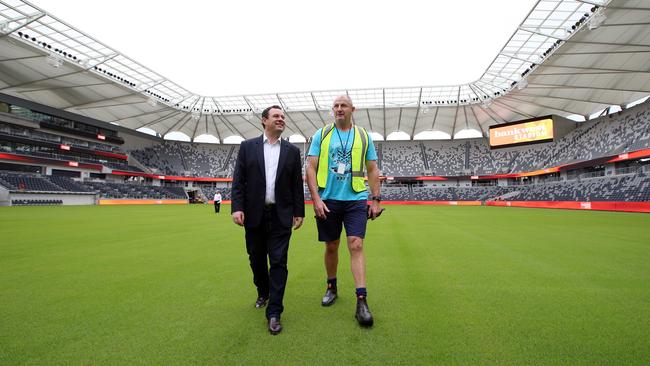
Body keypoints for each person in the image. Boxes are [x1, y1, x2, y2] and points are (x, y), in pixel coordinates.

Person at [305, 95, 383, 327]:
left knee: (356, 244)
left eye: (343, 106)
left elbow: (372, 168)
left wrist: (376, 199)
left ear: (352, 109)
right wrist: (316, 199)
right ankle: (332, 286)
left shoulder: (363, 135)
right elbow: (310, 166)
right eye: (336, 106)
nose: (339, 109)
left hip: (355, 198)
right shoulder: (322, 134)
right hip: (328, 199)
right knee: (331, 245)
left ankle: (361, 300)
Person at [231, 105, 305, 335]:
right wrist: (237, 208)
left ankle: (274, 312)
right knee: (256, 259)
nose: (281, 119)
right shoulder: (247, 147)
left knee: (279, 261)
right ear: (264, 121)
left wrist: (299, 211)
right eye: (276, 116)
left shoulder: (292, 151)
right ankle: (263, 291)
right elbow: (238, 181)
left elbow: (295, 185)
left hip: (281, 214)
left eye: (283, 117)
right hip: (254, 214)